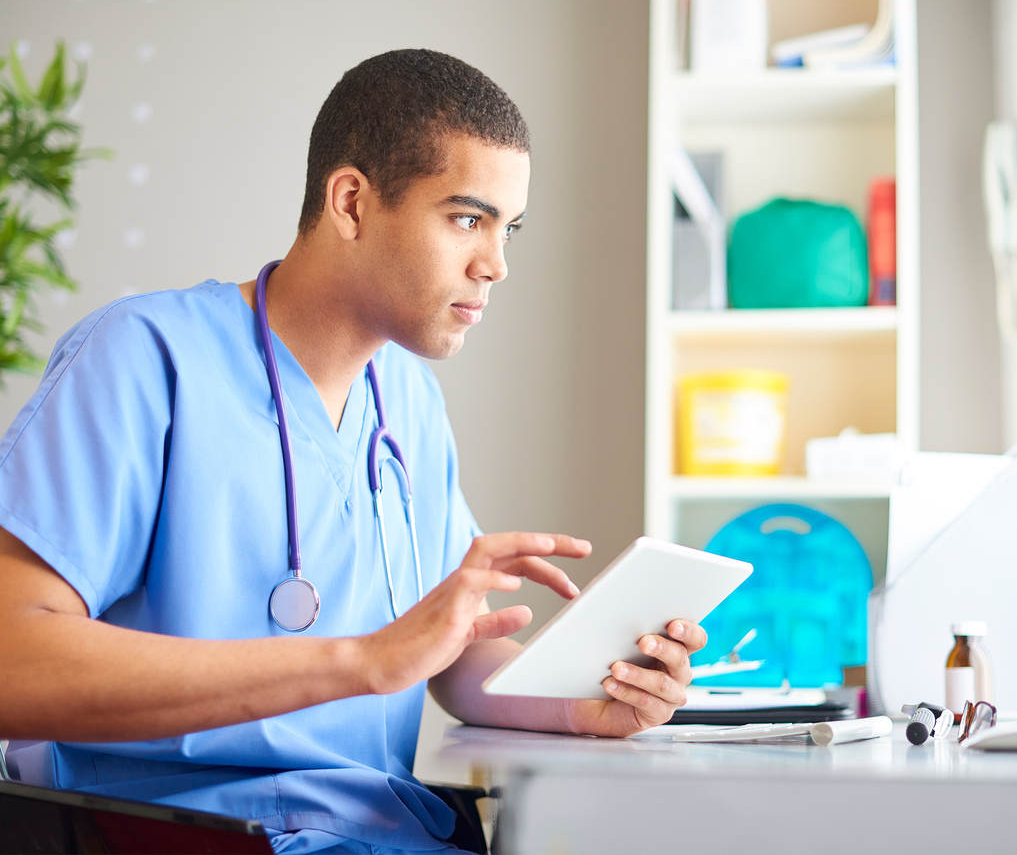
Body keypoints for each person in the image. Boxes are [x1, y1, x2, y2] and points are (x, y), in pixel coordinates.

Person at [0, 49, 705, 854]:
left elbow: (447, 659)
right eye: (467, 218)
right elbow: (11, 660)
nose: (497, 264)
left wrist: (586, 701)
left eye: (509, 229)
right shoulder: (142, 358)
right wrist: (360, 661)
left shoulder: (404, 398)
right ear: (351, 203)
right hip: (190, 834)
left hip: (386, 834)